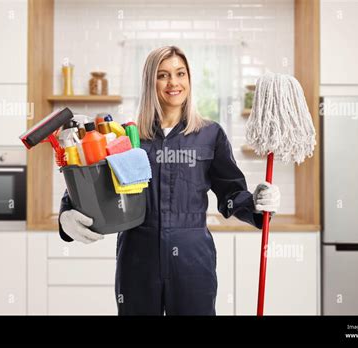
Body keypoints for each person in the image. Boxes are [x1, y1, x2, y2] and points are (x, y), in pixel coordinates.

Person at [58, 46, 280, 315]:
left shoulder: (210, 135)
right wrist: (66, 213)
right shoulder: (125, 137)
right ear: (150, 82)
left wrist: (257, 203)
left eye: (180, 73)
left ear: (189, 79)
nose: (173, 82)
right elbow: (92, 185)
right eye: (163, 75)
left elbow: (231, 194)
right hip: (138, 256)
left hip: (192, 258)